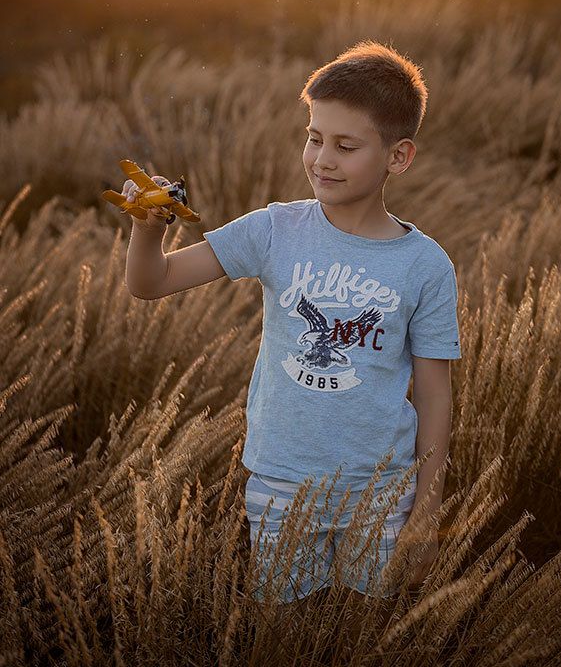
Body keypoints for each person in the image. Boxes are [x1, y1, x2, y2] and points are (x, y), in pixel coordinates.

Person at [124, 39, 462, 619]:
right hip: (282, 477)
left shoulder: (425, 265)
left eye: (345, 145)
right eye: (314, 137)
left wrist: (427, 507)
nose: (322, 158)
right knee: (276, 626)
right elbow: (152, 283)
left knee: (361, 627)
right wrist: (149, 229)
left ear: (398, 157)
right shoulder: (275, 230)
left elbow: (434, 392)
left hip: (379, 489)